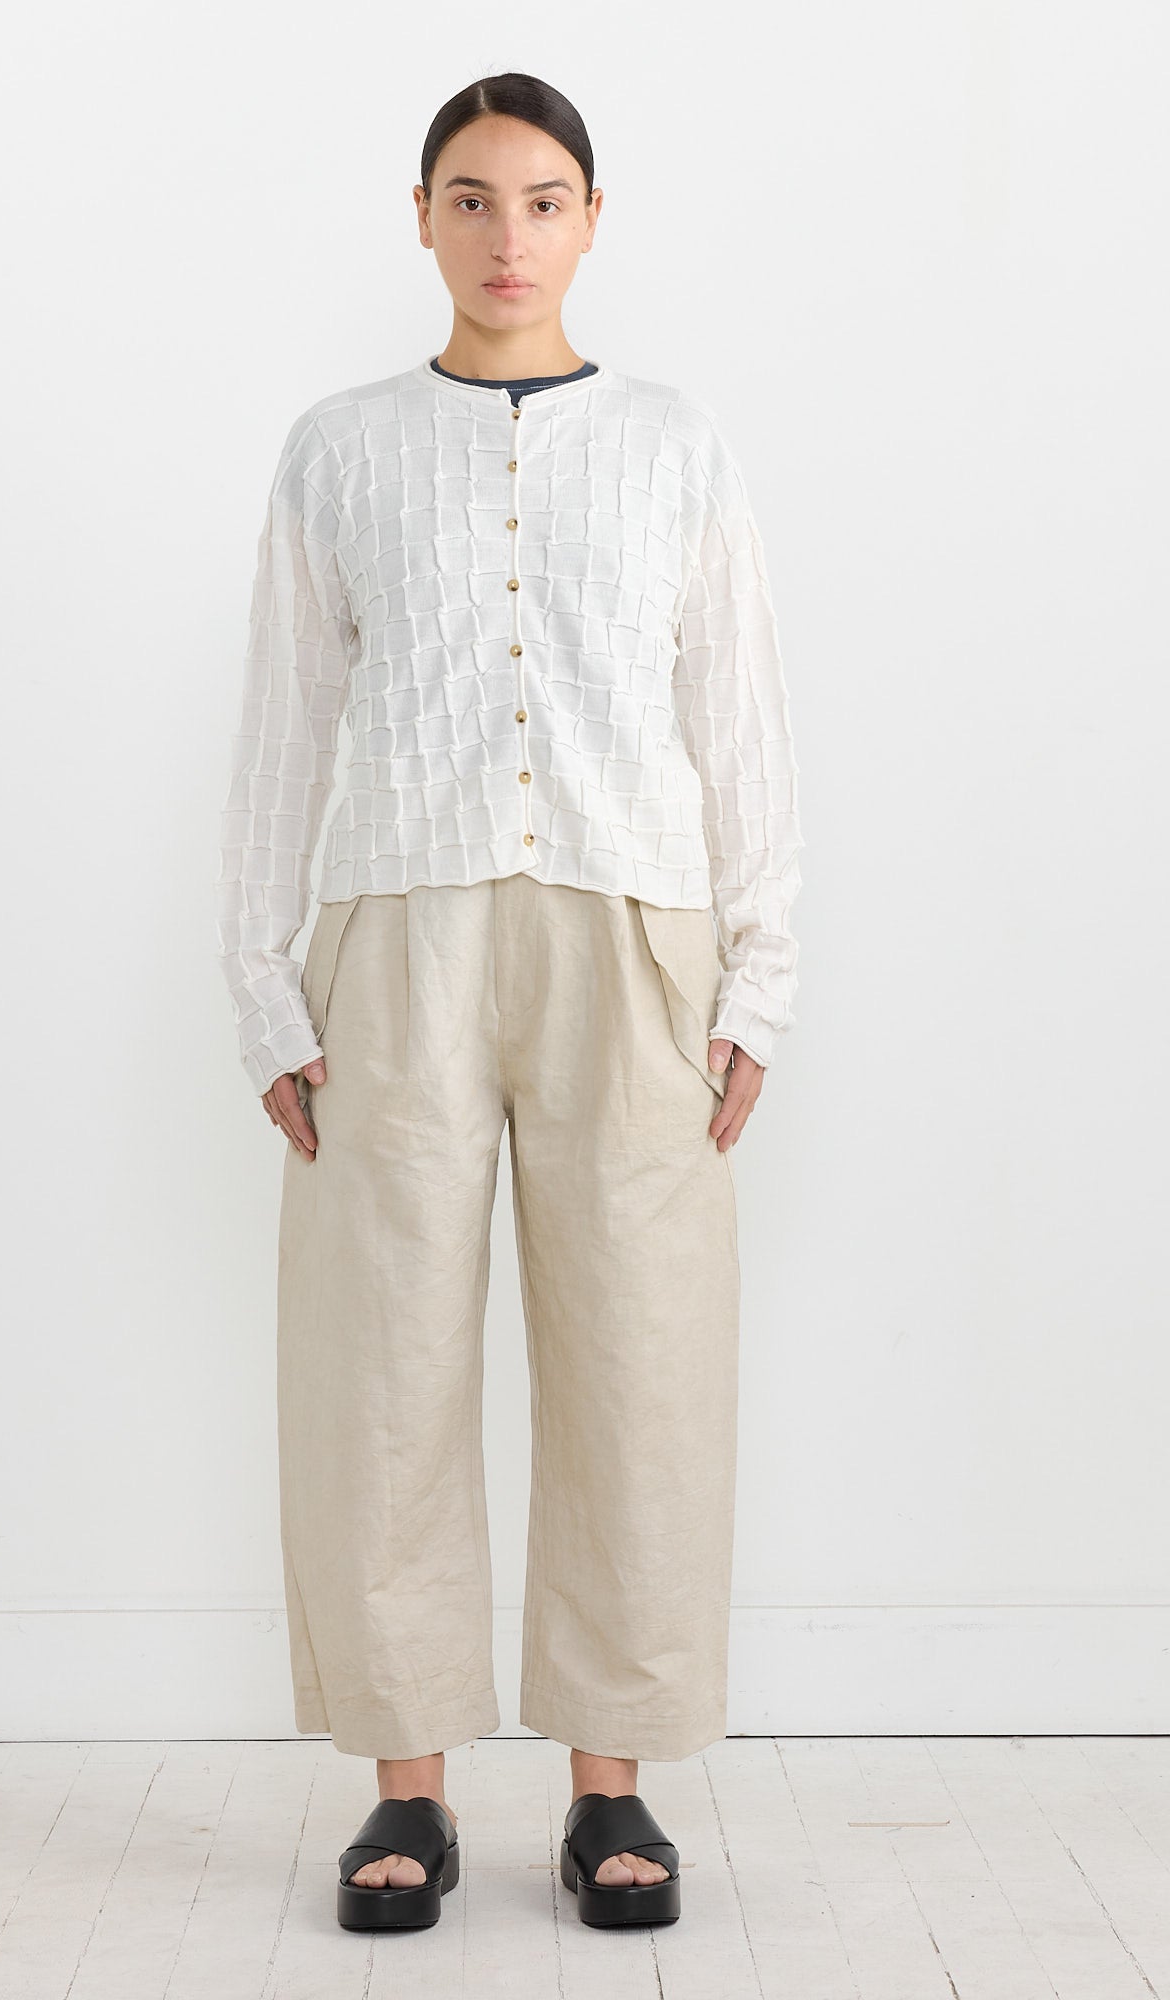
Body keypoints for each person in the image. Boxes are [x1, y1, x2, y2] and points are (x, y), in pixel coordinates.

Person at [215, 71, 803, 1934]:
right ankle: (407, 1790)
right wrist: (261, 986)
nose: (506, 236)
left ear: (592, 220)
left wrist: (763, 972)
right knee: (380, 1358)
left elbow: (739, 712)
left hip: (633, 937)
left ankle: (611, 1786)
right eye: (470, 198)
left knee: (642, 1354)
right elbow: (285, 724)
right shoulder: (340, 450)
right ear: (420, 217)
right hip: (395, 937)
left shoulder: (675, 445)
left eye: (542, 200)